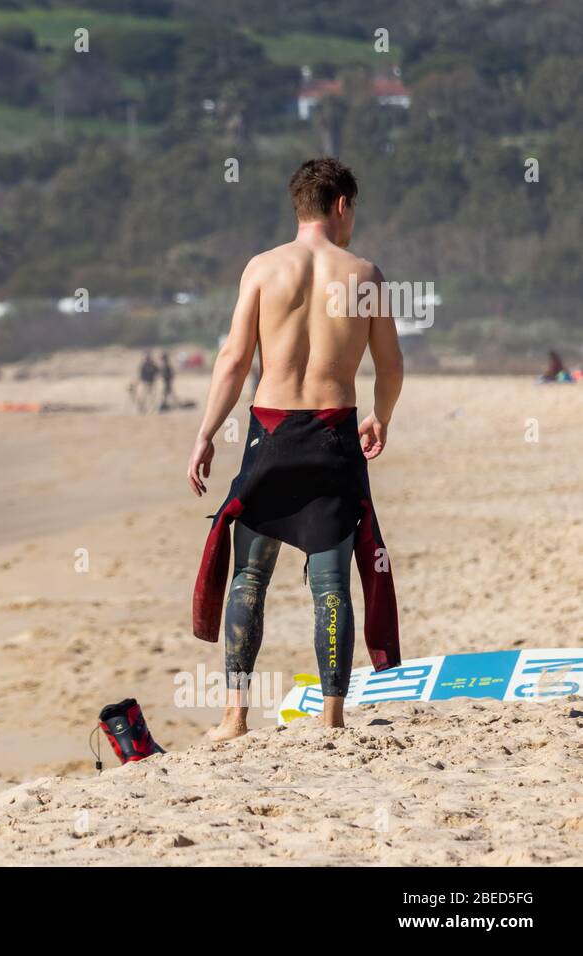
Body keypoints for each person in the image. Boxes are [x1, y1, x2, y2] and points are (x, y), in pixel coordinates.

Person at [186, 157, 404, 739]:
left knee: (249, 578)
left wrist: (206, 433)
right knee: (331, 581)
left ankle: (235, 716)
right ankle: (333, 715)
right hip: (333, 433)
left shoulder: (261, 269)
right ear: (341, 205)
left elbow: (233, 361)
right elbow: (390, 365)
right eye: (353, 208)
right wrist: (380, 418)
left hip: (273, 432)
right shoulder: (363, 275)